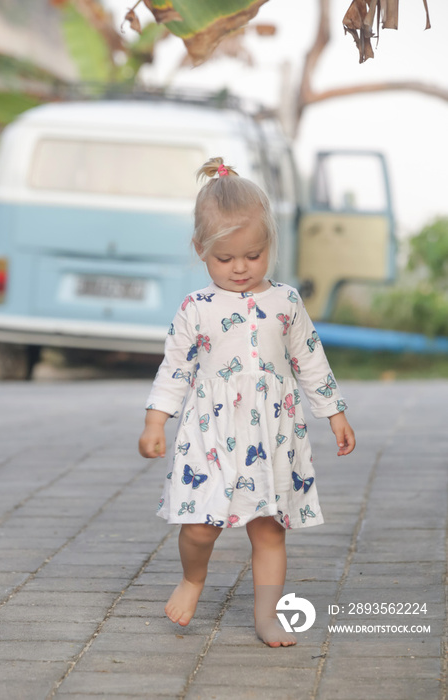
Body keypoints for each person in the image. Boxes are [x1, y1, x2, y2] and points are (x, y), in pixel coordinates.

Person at [138, 157, 355, 648]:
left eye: (253, 256)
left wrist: (335, 414)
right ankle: (193, 579)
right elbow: (174, 369)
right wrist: (156, 422)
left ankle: (268, 616)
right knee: (198, 528)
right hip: (211, 433)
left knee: (269, 531)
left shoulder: (287, 302)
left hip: (272, 434)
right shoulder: (196, 308)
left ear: (270, 245)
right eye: (225, 258)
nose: (240, 268)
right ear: (201, 251)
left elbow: (310, 361)